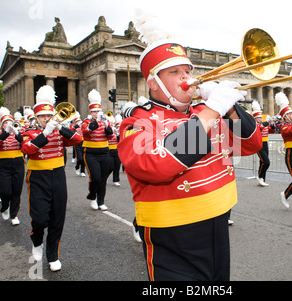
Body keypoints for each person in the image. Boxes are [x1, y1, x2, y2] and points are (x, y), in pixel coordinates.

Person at [117, 39, 262, 281]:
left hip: (218, 222)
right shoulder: (139, 121)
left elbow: (250, 144)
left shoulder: (202, 113)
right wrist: (213, 109)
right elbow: (154, 164)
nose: (187, 78)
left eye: (187, 71)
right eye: (174, 72)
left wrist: (231, 108)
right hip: (173, 232)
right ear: (153, 83)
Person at [21, 85, 82, 272]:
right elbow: (27, 149)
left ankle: (53, 255)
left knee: (57, 217)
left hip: (58, 176)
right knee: (39, 218)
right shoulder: (30, 132)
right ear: (36, 117)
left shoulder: (59, 130)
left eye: (48, 116)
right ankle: (37, 241)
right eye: (42, 117)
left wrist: (61, 127)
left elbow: (77, 139)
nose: (46, 119)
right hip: (38, 176)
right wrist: (45, 132)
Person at [81, 89, 114, 211]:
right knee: (95, 177)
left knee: (103, 178)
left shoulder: (105, 122)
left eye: (98, 111)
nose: (96, 113)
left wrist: (106, 124)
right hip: (91, 153)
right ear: (91, 112)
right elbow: (86, 131)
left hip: (104, 152)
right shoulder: (87, 122)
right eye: (94, 112)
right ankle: (92, 196)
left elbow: (111, 135)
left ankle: (101, 201)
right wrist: (95, 122)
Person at [0, 107, 25, 225]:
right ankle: (5, 206)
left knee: (17, 190)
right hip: (4, 164)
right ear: (2, 125)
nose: (8, 125)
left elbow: (24, 144)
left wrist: (16, 133)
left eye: (10, 122)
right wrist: (6, 132)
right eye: (5, 123)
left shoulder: (18, 133)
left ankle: (14, 215)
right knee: (5, 191)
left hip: (18, 163)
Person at [275, 91, 292, 212]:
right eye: (290, 114)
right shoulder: (285, 126)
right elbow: (291, 130)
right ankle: (285, 194)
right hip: (291, 154)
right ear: (285, 117)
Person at [252, 101, 273, 187]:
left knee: (263, 162)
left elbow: (271, 130)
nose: (261, 119)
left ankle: (262, 179)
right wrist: (266, 122)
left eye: (261, 117)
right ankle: (260, 176)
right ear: (256, 119)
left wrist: (272, 124)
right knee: (266, 162)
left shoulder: (262, 124)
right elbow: (260, 128)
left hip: (265, 143)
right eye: (259, 118)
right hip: (258, 144)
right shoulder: (255, 124)